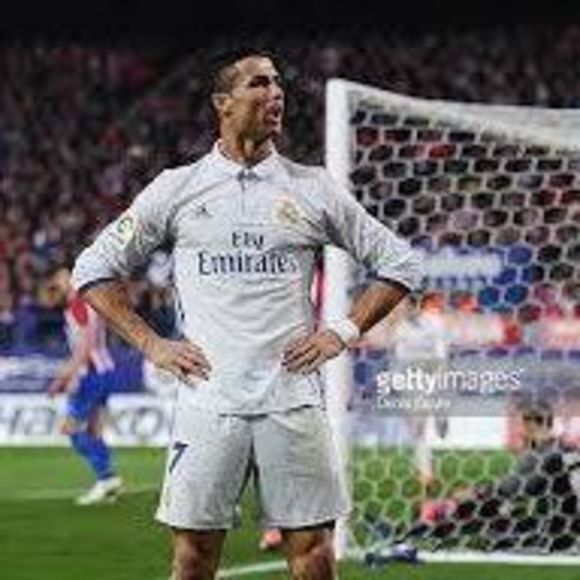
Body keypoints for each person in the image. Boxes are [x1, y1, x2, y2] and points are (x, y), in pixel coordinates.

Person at [70, 47, 423, 580]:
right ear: (224, 103)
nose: (275, 93)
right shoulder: (177, 188)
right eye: (259, 83)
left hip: (293, 400)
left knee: (314, 554)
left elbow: (400, 262)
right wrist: (151, 344)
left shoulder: (313, 188)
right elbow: (93, 268)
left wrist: (343, 331)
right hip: (209, 400)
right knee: (193, 559)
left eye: (278, 83)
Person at [402, 398, 580, 553]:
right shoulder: (564, 449)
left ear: (531, 424)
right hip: (565, 525)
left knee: (481, 513)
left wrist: (475, 493)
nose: (519, 432)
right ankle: (430, 525)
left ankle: (425, 529)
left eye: (521, 425)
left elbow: (510, 489)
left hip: (551, 534)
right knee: (492, 508)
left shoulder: (541, 455)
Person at [45, 266, 123, 505]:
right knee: (94, 431)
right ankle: (109, 480)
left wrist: (64, 378)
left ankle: (106, 477)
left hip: (91, 374)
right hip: (104, 370)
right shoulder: (86, 303)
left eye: (62, 276)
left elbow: (84, 346)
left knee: (70, 429)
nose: (58, 280)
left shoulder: (78, 305)